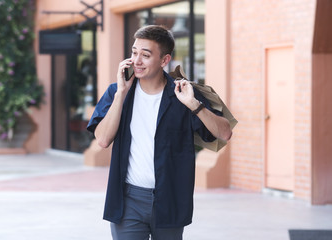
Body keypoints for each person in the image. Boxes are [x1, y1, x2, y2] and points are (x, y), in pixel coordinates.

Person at [87, 25, 232, 240]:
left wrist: (194, 105)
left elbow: (225, 133)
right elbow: (103, 139)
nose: (136, 61)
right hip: (128, 200)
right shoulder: (117, 91)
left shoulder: (184, 93)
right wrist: (120, 94)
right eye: (134, 52)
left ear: (164, 60)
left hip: (169, 198)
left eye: (145, 55)